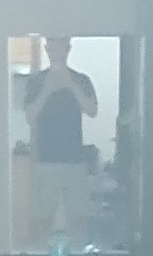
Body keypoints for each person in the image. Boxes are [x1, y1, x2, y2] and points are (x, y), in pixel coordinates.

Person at [24, 35, 98, 167]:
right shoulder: (36, 81)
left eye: (59, 49)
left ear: (68, 49)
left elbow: (92, 111)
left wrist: (71, 85)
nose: (55, 54)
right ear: (46, 49)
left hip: (74, 158)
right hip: (45, 159)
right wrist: (46, 90)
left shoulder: (81, 80)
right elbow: (30, 117)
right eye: (52, 49)